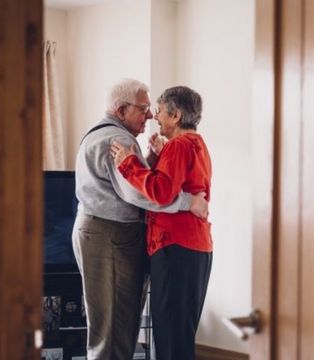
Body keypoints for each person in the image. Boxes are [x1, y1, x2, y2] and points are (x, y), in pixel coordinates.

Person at [72, 78, 207, 360]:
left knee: (116, 321)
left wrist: (146, 159)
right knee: (114, 324)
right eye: (145, 109)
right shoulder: (118, 140)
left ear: (176, 116)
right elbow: (143, 193)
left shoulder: (103, 133)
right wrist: (188, 202)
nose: (150, 116)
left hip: (110, 234)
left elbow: (147, 184)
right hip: (111, 236)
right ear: (121, 110)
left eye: (154, 109)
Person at [110, 86, 212, 360]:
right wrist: (161, 155)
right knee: (180, 333)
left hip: (174, 247)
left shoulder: (178, 146)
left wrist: (128, 163)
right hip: (196, 247)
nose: (155, 117)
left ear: (176, 115)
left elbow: (162, 192)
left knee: (169, 334)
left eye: (160, 111)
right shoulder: (197, 145)